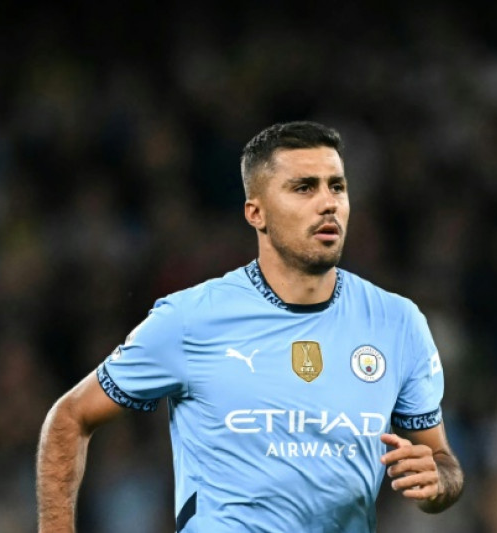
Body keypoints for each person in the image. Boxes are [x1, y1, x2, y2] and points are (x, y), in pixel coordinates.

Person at [36, 121, 464, 532]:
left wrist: (437, 481)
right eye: (304, 188)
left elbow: (442, 462)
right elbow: (69, 417)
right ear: (256, 213)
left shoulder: (397, 322)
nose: (328, 203)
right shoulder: (190, 320)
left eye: (337, 186)